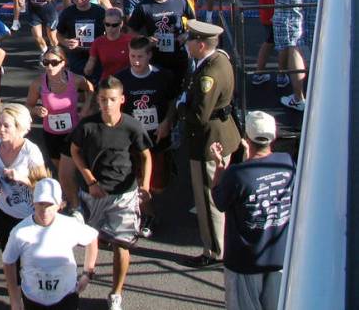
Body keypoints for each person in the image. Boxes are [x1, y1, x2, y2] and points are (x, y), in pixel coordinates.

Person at [67, 77, 152, 310]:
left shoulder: (132, 126)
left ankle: (116, 293)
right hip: (93, 194)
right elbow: (75, 151)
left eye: (112, 99)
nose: (107, 104)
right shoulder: (87, 126)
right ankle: (85, 275)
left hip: (124, 194)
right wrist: (90, 181)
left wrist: (144, 185)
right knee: (87, 238)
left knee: (121, 245)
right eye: (103, 99)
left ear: (122, 100)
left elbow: (146, 155)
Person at [212, 111, 295, 310]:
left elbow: (219, 201)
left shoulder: (238, 173)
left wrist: (219, 169)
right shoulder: (287, 163)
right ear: (273, 136)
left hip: (244, 261)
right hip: (280, 256)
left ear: (246, 138)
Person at [179, 20, 241, 268]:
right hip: (224, 134)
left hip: (209, 140)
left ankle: (214, 249)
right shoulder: (220, 60)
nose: (188, 44)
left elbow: (198, 116)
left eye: (191, 41)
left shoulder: (208, 74)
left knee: (208, 197)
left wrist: (182, 106)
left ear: (201, 44)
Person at [2, 178, 99, 310]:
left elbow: (92, 238)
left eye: (50, 204)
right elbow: (8, 262)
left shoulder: (70, 226)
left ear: (60, 205)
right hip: (33, 299)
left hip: (65, 296)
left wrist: (88, 273)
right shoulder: (20, 232)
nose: (45, 210)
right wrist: (14, 299)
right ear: (33, 202)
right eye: (41, 203)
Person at [114, 37, 178, 237]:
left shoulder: (163, 76)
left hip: (157, 137)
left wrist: (167, 122)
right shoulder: (121, 78)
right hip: (132, 139)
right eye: (132, 56)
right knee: (137, 179)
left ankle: (147, 207)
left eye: (140, 56)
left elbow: (172, 101)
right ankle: (146, 215)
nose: (136, 61)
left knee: (157, 185)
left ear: (149, 55)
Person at [0, 103, 46, 249]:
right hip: (4, 209)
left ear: (19, 128)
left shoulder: (30, 152)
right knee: (7, 253)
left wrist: (21, 178)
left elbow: (44, 187)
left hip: (28, 216)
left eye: (6, 126)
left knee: (26, 260)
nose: (0, 129)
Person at [27, 47, 92, 176]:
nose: (49, 66)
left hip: (73, 132)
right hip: (51, 133)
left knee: (72, 170)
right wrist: (36, 110)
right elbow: (28, 106)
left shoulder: (76, 80)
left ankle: (74, 193)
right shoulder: (38, 83)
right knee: (60, 170)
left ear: (63, 63)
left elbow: (91, 90)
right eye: (46, 63)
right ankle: (68, 193)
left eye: (54, 63)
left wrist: (85, 109)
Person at [127, 0, 195, 82]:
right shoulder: (143, 6)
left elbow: (193, 22)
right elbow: (131, 31)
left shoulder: (180, 1)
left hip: (178, 53)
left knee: (181, 86)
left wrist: (187, 34)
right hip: (156, 56)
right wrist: (145, 40)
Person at [56, 0, 107, 75]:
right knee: (79, 87)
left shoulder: (99, 12)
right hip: (76, 58)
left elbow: (109, 32)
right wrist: (65, 42)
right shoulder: (68, 13)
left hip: (97, 56)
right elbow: (59, 34)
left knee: (96, 86)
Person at [84, 8, 133, 82]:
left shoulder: (130, 40)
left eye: (114, 25)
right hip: (107, 82)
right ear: (104, 23)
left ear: (121, 24)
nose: (110, 28)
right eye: (107, 24)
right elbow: (90, 64)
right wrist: (88, 69)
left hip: (128, 80)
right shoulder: (98, 42)